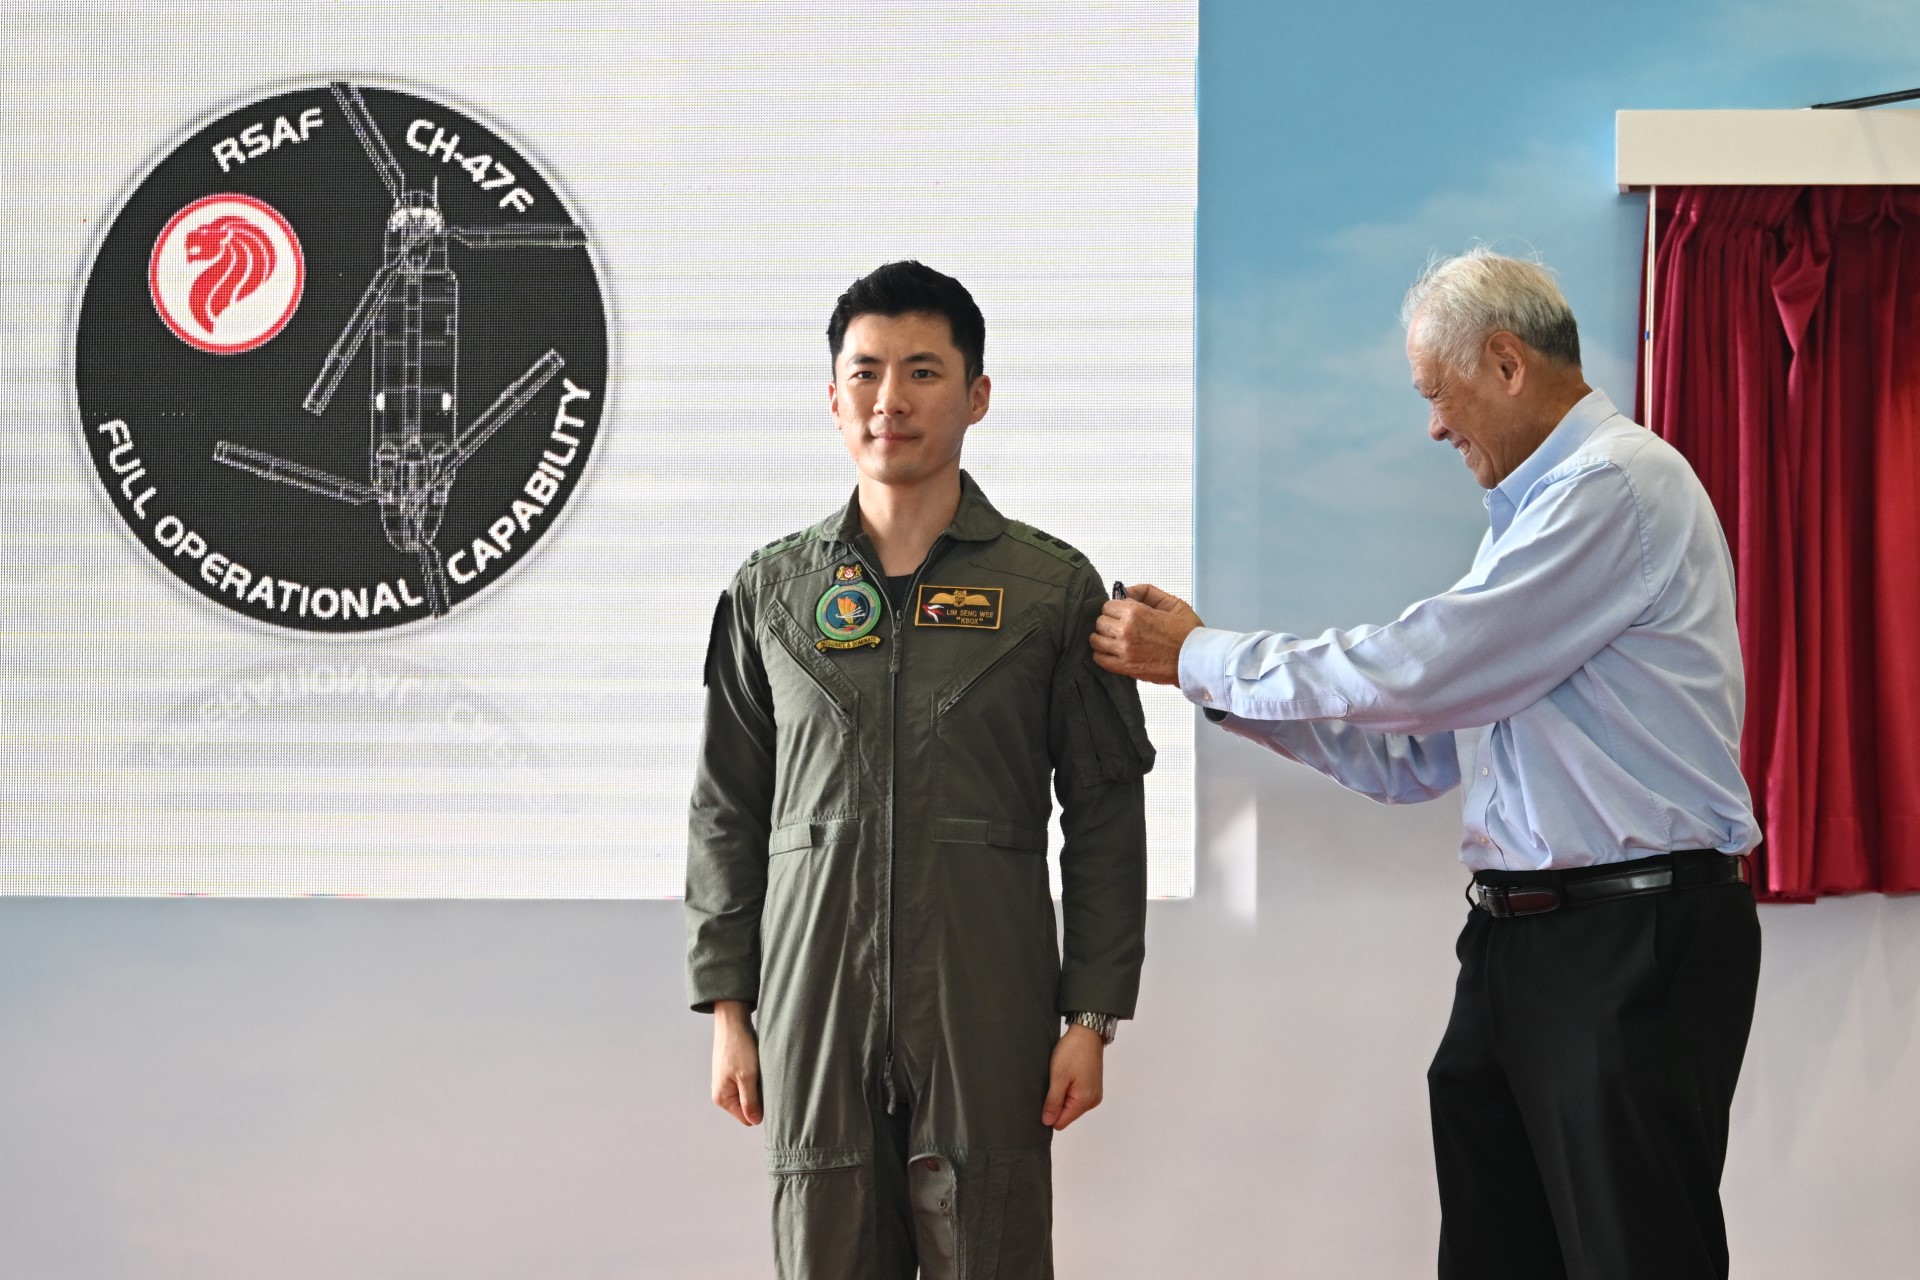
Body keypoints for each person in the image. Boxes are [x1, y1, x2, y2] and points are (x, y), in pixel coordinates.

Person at [1092, 247, 1761, 1280]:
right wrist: (1211, 682)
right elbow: (1411, 754)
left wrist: (1204, 653)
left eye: (1436, 394)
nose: (1435, 427)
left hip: (1628, 936)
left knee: (1635, 1255)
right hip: (1522, 940)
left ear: (1507, 362)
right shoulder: (1532, 519)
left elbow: (1419, 670)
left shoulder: (1615, 486)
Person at [686, 260, 1154, 1279]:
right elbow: (727, 806)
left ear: (977, 395)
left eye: (923, 372)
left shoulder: (1049, 590)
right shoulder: (771, 593)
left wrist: (1091, 1015)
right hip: (815, 999)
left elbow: (1105, 811)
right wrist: (729, 1008)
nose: (889, 400)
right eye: (866, 373)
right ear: (833, 397)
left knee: (989, 1244)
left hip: (986, 995)